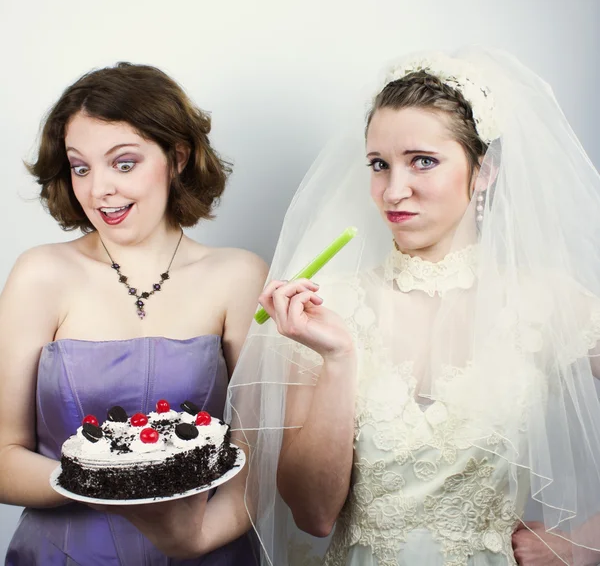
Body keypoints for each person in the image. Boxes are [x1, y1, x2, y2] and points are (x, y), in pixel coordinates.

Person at [226, 48, 600, 566]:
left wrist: (585, 543)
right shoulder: (325, 306)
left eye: (422, 161)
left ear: (484, 170)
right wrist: (337, 360)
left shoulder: (545, 301)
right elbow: (312, 515)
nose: (393, 191)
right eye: (379, 165)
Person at [0, 62, 267, 565]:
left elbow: (257, 461)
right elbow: (3, 456)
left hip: (204, 550)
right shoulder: (38, 275)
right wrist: (108, 479)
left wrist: (194, 540)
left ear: (178, 157)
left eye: (123, 163)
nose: (98, 188)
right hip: (67, 554)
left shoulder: (240, 275)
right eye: (81, 167)